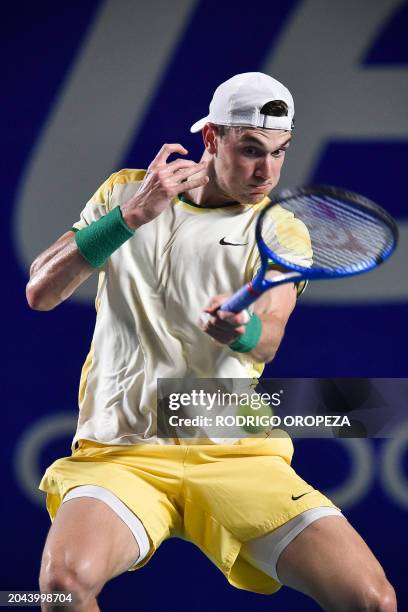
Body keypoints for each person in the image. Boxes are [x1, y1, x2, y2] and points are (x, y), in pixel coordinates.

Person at [26, 72, 396, 611]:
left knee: (371, 600)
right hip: (121, 449)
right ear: (212, 138)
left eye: (279, 152)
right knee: (63, 589)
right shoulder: (126, 192)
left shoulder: (280, 229)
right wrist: (130, 218)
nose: (266, 170)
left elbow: (267, 339)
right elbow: (40, 290)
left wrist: (239, 330)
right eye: (250, 150)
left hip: (236, 451)